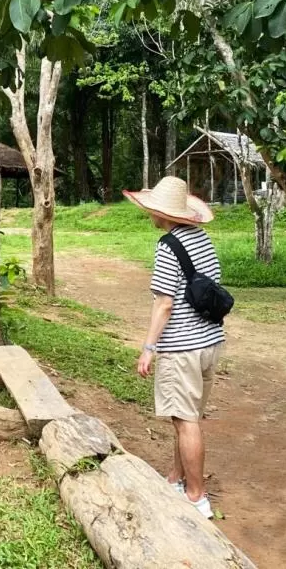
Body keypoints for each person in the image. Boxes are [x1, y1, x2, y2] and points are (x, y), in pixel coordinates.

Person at [123, 176, 222, 519]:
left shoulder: (168, 246)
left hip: (181, 348)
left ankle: (196, 498)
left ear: (159, 213)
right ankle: (176, 478)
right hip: (209, 343)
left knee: (184, 420)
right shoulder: (202, 239)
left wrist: (149, 347)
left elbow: (164, 304)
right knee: (188, 417)